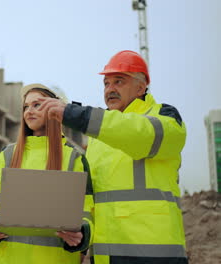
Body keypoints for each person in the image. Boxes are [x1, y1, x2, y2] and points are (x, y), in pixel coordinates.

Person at [38, 50, 188, 264]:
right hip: (106, 255)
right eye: (106, 84)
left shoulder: (164, 117)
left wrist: (75, 115)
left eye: (119, 81)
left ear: (141, 86)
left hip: (155, 255)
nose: (110, 89)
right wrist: (81, 233)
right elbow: (91, 197)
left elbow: (137, 133)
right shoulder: (98, 138)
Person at [0, 84, 94, 263]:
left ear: (57, 109)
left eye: (37, 105)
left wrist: (82, 234)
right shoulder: (7, 155)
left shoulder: (74, 159)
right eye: (26, 106)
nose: (29, 111)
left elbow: (88, 210)